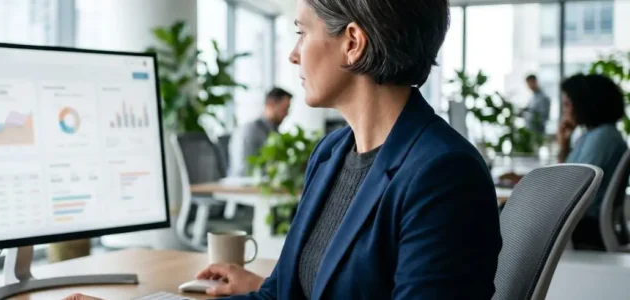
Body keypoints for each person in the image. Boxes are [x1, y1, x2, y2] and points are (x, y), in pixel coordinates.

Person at [65, 0, 502, 298]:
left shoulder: (444, 175)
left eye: (302, 32)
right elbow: (278, 294)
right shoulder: (331, 154)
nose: (294, 55)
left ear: (352, 42)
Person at [557, 74, 627, 250]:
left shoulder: (603, 137)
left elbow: (571, 187)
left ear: (584, 104)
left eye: (568, 104)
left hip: (584, 225)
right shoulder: (592, 136)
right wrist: (564, 145)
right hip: (580, 221)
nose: (565, 110)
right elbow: (566, 179)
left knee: (508, 214)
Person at [228, 88, 292, 177]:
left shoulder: (275, 132)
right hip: (244, 183)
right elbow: (245, 170)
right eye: (284, 109)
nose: (286, 114)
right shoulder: (251, 130)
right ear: (270, 104)